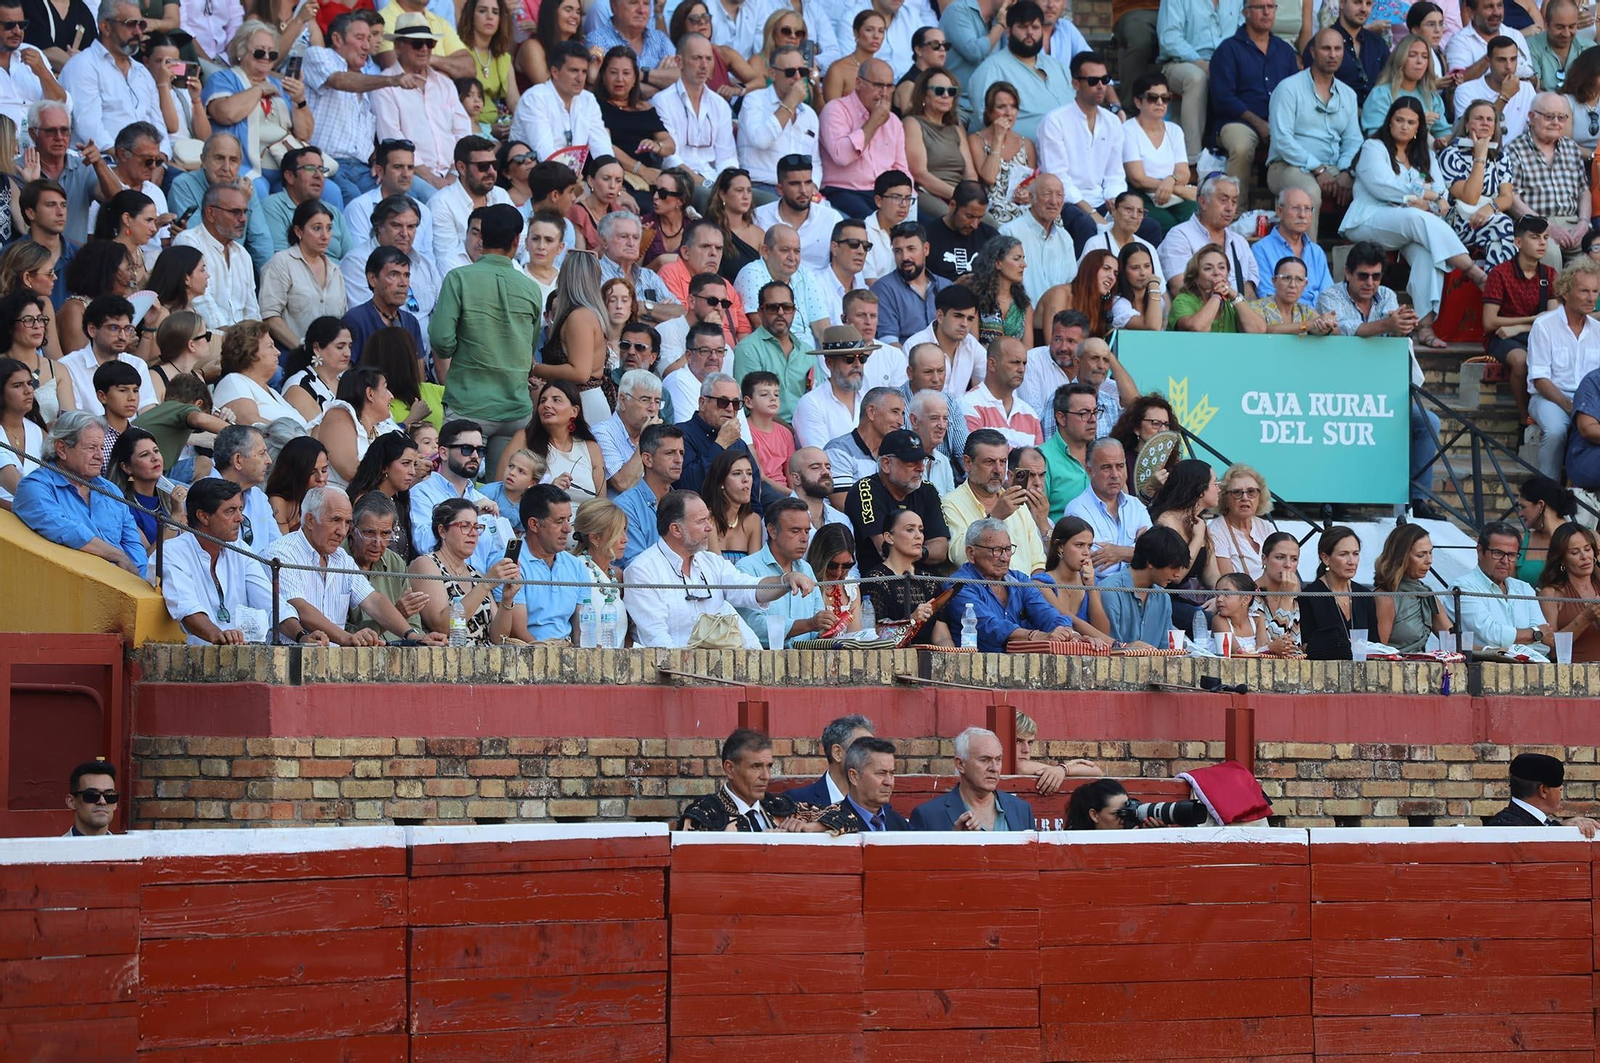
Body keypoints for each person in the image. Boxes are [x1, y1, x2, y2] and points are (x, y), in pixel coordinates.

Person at [1343, 98, 1487, 344]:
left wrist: (1428, 202)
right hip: (1368, 219)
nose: (1404, 126)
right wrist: (1425, 197)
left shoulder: (1426, 155)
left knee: (1428, 253)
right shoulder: (1373, 147)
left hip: (1410, 226)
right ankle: (1474, 272)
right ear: (1389, 122)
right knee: (1414, 216)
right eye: (1399, 120)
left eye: (1411, 122)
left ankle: (1425, 327)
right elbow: (1383, 186)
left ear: (1419, 127)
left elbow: (1441, 195)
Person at [624, 488, 815, 648]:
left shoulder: (711, 562)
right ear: (676, 529)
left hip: (716, 670)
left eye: (708, 519)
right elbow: (657, 640)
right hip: (670, 674)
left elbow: (749, 589)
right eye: (701, 521)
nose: (709, 527)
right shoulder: (642, 571)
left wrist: (785, 580)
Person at [430, 204, 542, 475]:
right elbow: (530, 347)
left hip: (467, 405)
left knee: (454, 489)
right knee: (503, 490)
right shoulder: (531, 288)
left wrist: (463, 349)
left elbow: (441, 340)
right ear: (516, 240)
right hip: (515, 408)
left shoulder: (459, 278)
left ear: (481, 237)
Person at [267, 485, 444, 646]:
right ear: (310, 520)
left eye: (347, 522)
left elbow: (373, 601)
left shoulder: (341, 558)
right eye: (335, 520)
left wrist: (412, 635)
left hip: (335, 659)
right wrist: (346, 638)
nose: (342, 531)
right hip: (288, 658)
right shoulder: (282, 553)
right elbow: (300, 608)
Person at [160, 477, 316, 644]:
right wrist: (218, 636)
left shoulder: (240, 549)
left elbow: (270, 602)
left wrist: (302, 636)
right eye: (230, 511)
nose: (240, 518)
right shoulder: (172, 552)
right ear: (203, 517)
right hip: (191, 655)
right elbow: (186, 608)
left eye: (240, 509)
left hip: (239, 652)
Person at [13, 410, 146, 576]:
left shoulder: (110, 490)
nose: (100, 456)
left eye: (102, 448)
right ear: (62, 449)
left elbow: (134, 545)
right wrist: (118, 555)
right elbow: (66, 531)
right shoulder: (35, 487)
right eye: (91, 448)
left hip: (124, 586)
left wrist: (138, 580)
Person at [371, 15, 473, 203]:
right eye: (417, 43)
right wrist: (432, 179)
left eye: (430, 43)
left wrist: (453, 173)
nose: (425, 49)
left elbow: (463, 132)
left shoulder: (445, 83)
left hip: (454, 174)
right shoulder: (386, 85)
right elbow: (393, 139)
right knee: (441, 203)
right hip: (412, 175)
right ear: (398, 46)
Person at [304, 13, 403, 204]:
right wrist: (392, 80)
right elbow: (338, 80)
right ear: (337, 39)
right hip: (327, 163)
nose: (367, 46)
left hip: (363, 169)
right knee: (354, 199)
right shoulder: (318, 55)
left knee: (398, 200)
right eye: (360, 38)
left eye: (369, 39)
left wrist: (376, 161)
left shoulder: (365, 79)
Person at [944, 517, 1076, 650]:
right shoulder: (958, 586)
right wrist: (1035, 636)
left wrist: (1065, 632)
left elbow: (1045, 612)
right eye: (996, 550)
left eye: (1008, 549)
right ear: (971, 553)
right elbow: (990, 626)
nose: (1005, 558)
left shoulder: (1019, 580)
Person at [1210, 0, 1298, 197]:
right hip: (1239, 121)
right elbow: (1223, 99)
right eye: (1259, 7)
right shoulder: (1228, 49)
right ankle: (1235, 210)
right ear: (1245, 12)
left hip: (1279, 123)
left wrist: (1279, 126)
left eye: (1271, 7)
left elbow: (1296, 93)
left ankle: (1288, 209)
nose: (1266, 12)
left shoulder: (1285, 51)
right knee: (1241, 146)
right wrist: (1259, 123)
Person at [59, 1, 163, 159]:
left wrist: (162, 157)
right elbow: (89, 127)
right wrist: (129, 158)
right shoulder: (83, 65)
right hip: (105, 160)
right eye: (130, 24)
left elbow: (158, 124)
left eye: (141, 25)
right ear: (106, 27)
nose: (138, 32)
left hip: (148, 162)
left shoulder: (143, 72)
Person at [406, 495, 517, 642]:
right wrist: (486, 584)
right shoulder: (426, 565)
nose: (473, 533)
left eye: (477, 527)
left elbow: (499, 639)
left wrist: (507, 600)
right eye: (465, 526)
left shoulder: (476, 574)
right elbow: (442, 626)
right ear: (442, 531)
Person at [1482, 215, 1558, 428]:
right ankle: (1525, 420)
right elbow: (1489, 322)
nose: (1542, 243)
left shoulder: (1550, 274)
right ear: (1518, 242)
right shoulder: (1500, 273)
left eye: (1545, 238)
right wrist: (1532, 319)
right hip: (1502, 338)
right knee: (1521, 360)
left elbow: (1552, 318)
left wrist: (1520, 327)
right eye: (1535, 237)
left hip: (1534, 334)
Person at [677, 728, 832, 832]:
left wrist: (812, 827)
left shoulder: (778, 807)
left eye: (769, 766)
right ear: (730, 769)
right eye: (756, 766)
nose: (766, 776)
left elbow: (844, 814)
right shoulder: (705, 815)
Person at [1527, 259, 1600, 479]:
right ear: (1566, 293)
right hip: (1550, 398)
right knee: (1556, 431)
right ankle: (1548, 489)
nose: (1591, 298)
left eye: (1595, 291)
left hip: (1591, 399)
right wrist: (1572, 406)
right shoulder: (1544, 325)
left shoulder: (1598, 330)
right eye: (1584, 291)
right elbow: (1540, 379)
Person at [842, 426, 949, 569]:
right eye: (911, 462)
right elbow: (886, 550)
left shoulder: (928, 490)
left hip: (923, 578)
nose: (921, 468)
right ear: (886, 464)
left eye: (922, 461)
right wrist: (921, 550)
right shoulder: (865, 489)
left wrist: (916, 551)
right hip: (881, 577)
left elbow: (940, 550)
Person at [967, 1, 1075, 142]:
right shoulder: (990, 70)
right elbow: (984, 122)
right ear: (1008, 31)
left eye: (1035, 27)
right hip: (1022, 152)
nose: (1030, 33)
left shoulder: (1058, 67)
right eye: (1023, 27)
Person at [942, 427, 1048, 571]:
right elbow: (960, 558)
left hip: (1025, 585)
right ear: (967, 463)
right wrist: (995, 518)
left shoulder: (1018, 504)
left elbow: (1038, 564)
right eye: (989, 462)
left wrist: (1034, 585)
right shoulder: (950, 504)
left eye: (1002, 462)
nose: (998, 470)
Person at [733, 496, 832, 646]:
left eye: (807, 531)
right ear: (772, 531)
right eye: (795, 531)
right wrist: (809, 624)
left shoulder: (806, 568)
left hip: (808, 657)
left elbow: (817, 622)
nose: (804, 538)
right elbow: (752, 627)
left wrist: (826, 626)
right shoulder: (747, 568)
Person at [1507, 94, 1590, 270]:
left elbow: (1584, 191)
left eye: (1561, 117)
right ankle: (1551, 290)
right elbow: (1512, 199)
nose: (1556, 122)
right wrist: (1548, 227)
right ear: (1531, 117)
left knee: (1595, 249)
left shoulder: (1571, 148)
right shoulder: (1514, 149)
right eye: (1549, 116)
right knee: (1548, 251)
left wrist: (1583, 223)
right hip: (1535, 224)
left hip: (1573, 222)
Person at [1155, 0, 1241, 165]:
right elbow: (1169, 39)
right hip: (1181, 62)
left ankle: (1239, 154)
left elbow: (1243, 31)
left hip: (1226, 62)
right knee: (1196, 78)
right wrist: (1202, 64)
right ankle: (1192, 159)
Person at [1438, 104, 1518, 278]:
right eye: (1478, 118)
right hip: (1459, 220)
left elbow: (1507, 198)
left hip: (1491, 216)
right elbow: (1470, 197)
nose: (1485, 123)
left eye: (1490, 119)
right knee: (1503, 224)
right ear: (1466, 125)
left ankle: (1495, 284)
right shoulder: (1451, 155)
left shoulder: (1501, 157)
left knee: (1504, 231)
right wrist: (1480, 157)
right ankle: (1499, 287)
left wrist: (1490, 208)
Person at [259, 202, 347, 352]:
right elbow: (270, 316)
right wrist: (303, 350)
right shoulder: (281, 263)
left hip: (330, 357)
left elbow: (342, 317)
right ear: (298, 231)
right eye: (317, 228)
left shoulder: (335, 270)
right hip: (289, 353)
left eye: (329, 228)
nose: (325, 236)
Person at [910, 726, 1036, 830]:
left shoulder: (1021, 810)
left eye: (998, 760)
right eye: (984, 760)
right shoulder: (928, 816)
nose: (994, 768)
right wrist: (953, 841)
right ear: (960, 765)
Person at [1062, 436, 1152, 580]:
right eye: (1106, 467)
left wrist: (1121, 552)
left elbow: (1156, 554)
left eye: (1120, 466)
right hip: (1101, 589)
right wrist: (1139, 551)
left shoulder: (1136, 506)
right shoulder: (1077, 510)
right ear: (1089, 470)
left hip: (1141, 588)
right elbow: (1099, 567)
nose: (1115, 475)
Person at [1120, 72, 1197, 238]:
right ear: (1138, 102)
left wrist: (1171, 182)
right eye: (1152, 98)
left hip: (1173, 193)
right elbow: (1138, 179)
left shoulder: (1175, 130)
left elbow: (1184, 173)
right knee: (1166, 223)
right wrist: (1173, 187)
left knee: (1195, 215)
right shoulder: (1128, 130)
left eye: (1165, 98)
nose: (1160, 103)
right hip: (1141, 193)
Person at [171, 184, 259, 328]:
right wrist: (228, 336)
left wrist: (257, 335)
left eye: (245, 212)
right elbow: (200, 300)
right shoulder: (189, 241)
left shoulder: (242, 254)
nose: (243, 219)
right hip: (205, 336)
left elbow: (252, 309)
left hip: (240, 338)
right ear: (211, 213)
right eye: (235, 212)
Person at [738, 44, 821, 197]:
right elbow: (761, 140)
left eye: (802, 71)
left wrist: (813, 186)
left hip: (801, 190)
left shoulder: (809, 114)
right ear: (772, 74)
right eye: (790, 72)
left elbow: (814, 163)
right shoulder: (754, 100)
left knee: (836, 213)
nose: (797, 77)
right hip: (762, 185)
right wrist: (790, 102)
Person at [1157, 174, 1258, 297]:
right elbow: (1180, 289)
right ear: (1203, 202)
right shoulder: (1179, 237)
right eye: (1223, 200)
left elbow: (1249, 294)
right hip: (1199, 309)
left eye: (1234, 201)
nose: (1230, 208)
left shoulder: (1240, 242)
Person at [859, 508, 950, 644]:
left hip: (926, 654)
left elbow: (942, 637)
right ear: (889, 537)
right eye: (910, 529)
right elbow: (874, 634)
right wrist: (912, 620)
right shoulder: (876, 579)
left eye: (921, 530)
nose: (918, 536)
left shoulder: (930, 581)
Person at [60, 293, 154, 416]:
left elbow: (147, 413)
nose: (122, 336)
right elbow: (73, 420)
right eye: (114, 328)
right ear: (92, 330)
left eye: (127, 328)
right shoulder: (68, 367)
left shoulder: (137, 364)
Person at [1097, 523, 1191, 646]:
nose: (1177, 575)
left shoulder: (1163, 597)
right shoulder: (1110, 591)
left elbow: (1165, 647)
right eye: (1173, 567)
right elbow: (1107, 647)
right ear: (1150, 562)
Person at [431, 136, 514, 273]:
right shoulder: (441, 204)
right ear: (462, 168)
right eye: (483, 166)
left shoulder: (500, 195)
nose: (491, 172)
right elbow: (447, 262)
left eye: (494, 164)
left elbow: (522, 243)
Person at [343, 141, 437, 258]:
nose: (406, 174)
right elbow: (359, 258)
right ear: (380, 171)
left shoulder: (423, 211)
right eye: (398, 167)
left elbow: (427, 259)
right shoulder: (359, 208)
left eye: (410, 168)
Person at [1297, 523, 1376, 660]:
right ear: (1325, 558)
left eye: (1355, 554)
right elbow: (1304, 646)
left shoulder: (1364, 595)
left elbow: (1375, 643)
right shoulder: (1309, 596)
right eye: (1343, 554)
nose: (1351, 561)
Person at [1370, 522, 1450, 652]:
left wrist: (1486, 649)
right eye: (1421, 555)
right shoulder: (1385, 598)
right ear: (1401, 557)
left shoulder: (1426, 594)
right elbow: (1378, 652)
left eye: (1430, 553)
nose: (1429, 560)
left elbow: (1453, 639)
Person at [1033, 514, 1114, 642]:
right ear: (1060, 547)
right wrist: (1116, 644)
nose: (1086, 552)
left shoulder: (1091, 583)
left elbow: (1102, 631)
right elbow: (1072, 622)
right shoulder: (1040, 583)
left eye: (1089, 546)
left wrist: (1091, 588)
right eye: (1079, 545)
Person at [969, 82, 1039, 227]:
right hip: (993, 211)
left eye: (1013, 106)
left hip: (1023, 208)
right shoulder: (976, 140)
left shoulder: (1026, 144)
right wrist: (998, 138)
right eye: (1001, 107)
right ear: (989, 112)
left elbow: (1033, 182)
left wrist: (1027, 193)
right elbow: (989, 177)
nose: (1008, 112)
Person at [791, 325, 870, 450]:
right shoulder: (811, 403)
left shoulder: (870, 398)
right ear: (829, 363)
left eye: (862, 358)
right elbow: (822, 455)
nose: (857, 364)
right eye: (849, 359)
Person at [1252, 190, 1334, 309]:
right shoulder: (1261, 249)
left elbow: (1329, 296)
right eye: (1295, 208)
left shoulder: (1316, 252)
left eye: (1307, 209)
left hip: (1319, 318)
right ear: (1280, 212)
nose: (1302, 215)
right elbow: (1268, 297)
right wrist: (1309, 318)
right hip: (1283, 318)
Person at [614, 421, 682, 565]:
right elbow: (636, 566)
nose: (679, 460)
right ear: (648, 459)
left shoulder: (684, 504)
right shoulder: (625, 507)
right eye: (669, 453)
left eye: (681, 453)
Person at [202, 423, 277, 551]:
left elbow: (276, 547)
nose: (269, 460)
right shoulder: (202, 496)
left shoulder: (259, 496)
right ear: (238, 460)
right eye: (262, 453)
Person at [1483, 752, 1600, 833]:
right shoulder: (1507, 828)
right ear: (1543, 790)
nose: (1561, 788)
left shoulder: (1510, 821)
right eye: (1558, 786)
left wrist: (1560, 827)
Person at [108, 425, 182, 548]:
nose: (155, 458)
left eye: (156, 451)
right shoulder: (123, 507)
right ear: (126, 467)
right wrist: (175, 516)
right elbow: (149, 557)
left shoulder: (171, 498)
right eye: (144, 455)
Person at [1170, 243, 1269, 333]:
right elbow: (1198, 328)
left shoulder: (1234, 301)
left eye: (1221, 267)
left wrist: (1235, 297)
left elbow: (1258, 330)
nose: (1217, 273)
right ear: (1195, 277)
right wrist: (1217, 295)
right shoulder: (1183, 300)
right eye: (1208, 268)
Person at [1537, 521, 1600, 661]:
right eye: (1575, 552)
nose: (1584, 557)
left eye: (1587, 549)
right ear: (1562, 560)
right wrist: (1584, 618)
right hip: (1573, 672)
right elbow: (1552, 650)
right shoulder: (1551, 594)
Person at [1457, 35, 1536, 142]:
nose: (1509, 66)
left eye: (1513, 59)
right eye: (1501, 60)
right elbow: (1465, 132)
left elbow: (1535, 127)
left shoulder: (1527, 89)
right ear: (1488, 61)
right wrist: (1504, 97)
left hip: (1517, 150)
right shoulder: (1465, 91)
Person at [786, 715, 874, 808]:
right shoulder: (797, 800)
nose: (872, 757)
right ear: (837, 753)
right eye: (862, 749)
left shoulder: (877, 801)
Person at [1445, 0, 1535, 85]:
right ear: (1471, 13)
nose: (1496, 12)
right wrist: (1491, 56)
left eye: (1499, 5)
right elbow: (1455, 84)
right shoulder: (1458, 42)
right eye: (1489, 7)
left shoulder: (1515, 35)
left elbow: (1532, 80)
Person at [1041, 382, 1095, 522]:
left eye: (1095, 412)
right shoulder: (1042, 458)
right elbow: (1035, 516)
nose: (1093, 419)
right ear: (1061, 418)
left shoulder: (1102, 455)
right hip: (1059, 534)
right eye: (1084, 413)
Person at [923, 180, 997, 282]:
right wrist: (954, 286)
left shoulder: (989, 236)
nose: (975, 225)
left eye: (980, 218)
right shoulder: (928, 235)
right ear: (952, 205)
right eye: (969, 216)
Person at [263, 435, 328, 534]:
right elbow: (283, 542)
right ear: (295, 473)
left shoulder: (326, 499)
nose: (321, 478)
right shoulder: (279, 502)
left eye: (324, 470)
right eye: (311, 472)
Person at [64, 759, 117, 837]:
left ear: (115, 804)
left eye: (109, 796)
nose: (102, 801)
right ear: (71, 802)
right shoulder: (54, 845)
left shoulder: (129, 845)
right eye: (92, 795)